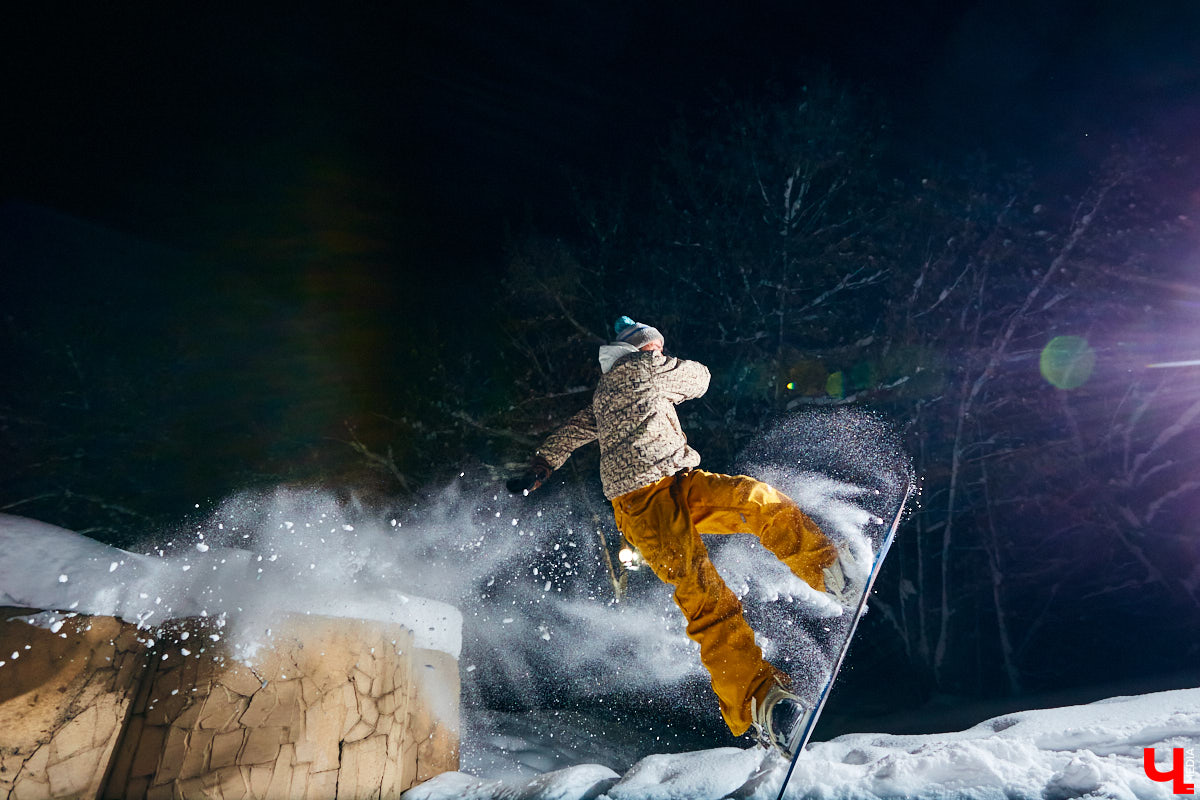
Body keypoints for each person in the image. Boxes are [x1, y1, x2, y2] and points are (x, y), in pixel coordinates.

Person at [506, 316, 854, 756]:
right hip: (646, 502)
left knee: (744, 512)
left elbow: (575, 431)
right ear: (645, 349)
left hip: (674, 484)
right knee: (733, 536)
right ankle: (765, 682)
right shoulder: (643, 369)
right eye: (657, 349)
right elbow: (701, 378)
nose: (660, 355)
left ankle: (823, 583)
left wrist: (541, 464)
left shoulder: (607, 393)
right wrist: (666, 364)